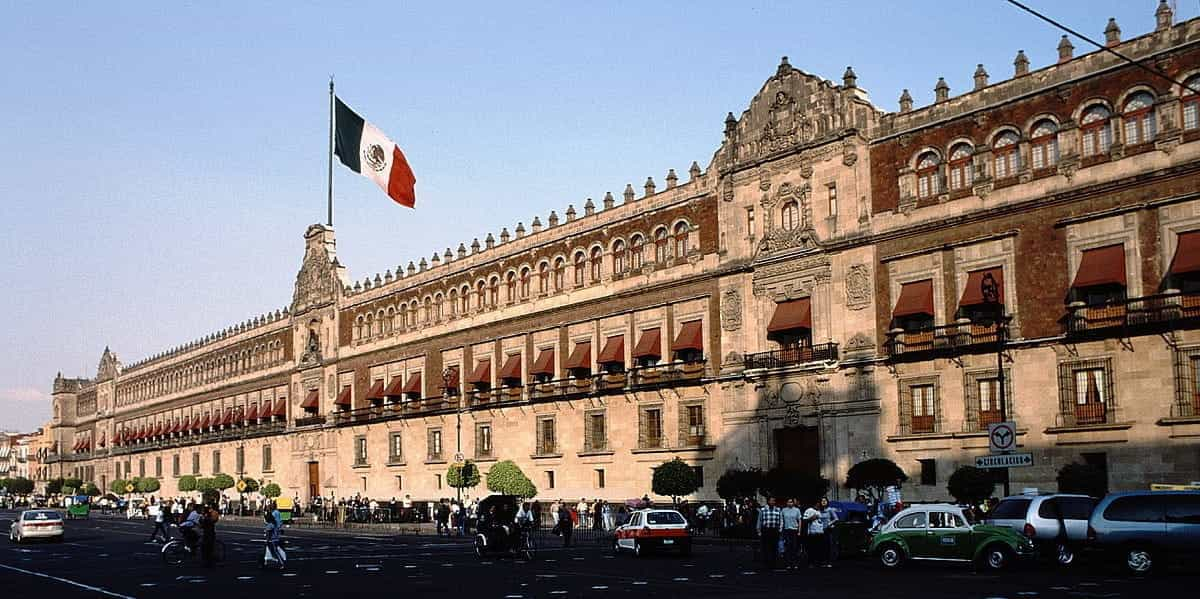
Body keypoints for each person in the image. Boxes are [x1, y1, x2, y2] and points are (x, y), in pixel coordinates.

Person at [756, 496, 782, 571]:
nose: (772, 502)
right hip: (766, 530)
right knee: (765, 548)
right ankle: (766, 564)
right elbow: (759, 520)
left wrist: (780, 529)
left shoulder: (778, 510)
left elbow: (781, 520)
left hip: (774, 530)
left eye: (774, 501)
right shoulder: (763, 510)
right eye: (771, 501)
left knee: (774, 548)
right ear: (768, 502)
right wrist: (758, 530)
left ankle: (773, 564)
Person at [780, 498, 803, 570]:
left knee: (795, 547)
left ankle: (795, 563)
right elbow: (782, 520)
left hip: (794, 530)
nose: (790, 503)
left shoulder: (797, 510)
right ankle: (788, 563)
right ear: (786, 503)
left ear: (793, 503)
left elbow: (799, 521)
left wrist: (799, 531)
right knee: (788, 547)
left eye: (791, 502)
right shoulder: (783, 510)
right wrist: (781, 529)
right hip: (787, 530)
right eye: (789, 502)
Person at [263, 501, 285, 569]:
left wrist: (267, 539)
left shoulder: (273, 516)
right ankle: (274, 562)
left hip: (273, 537)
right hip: (276, 534)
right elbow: (280, 522)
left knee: (274, 550)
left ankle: (280, 563)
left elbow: (268, 530)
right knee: (275, 550)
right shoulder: (277, 513)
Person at [200, 503, 220, 567]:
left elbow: (213, 520)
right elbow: (201, 522)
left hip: (210, 531)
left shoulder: (214, 513)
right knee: (204, 546)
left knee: (209, 546)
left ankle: (209, 559)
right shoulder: (206, 513)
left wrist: (206, 517)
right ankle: (205, 559)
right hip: (206, 531)